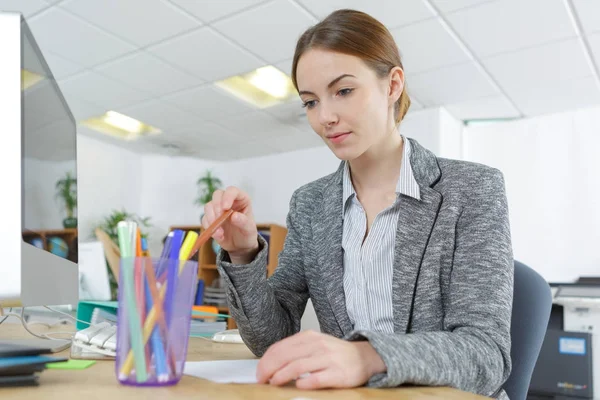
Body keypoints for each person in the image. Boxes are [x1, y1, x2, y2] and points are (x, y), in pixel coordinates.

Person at [201, 9, 513, 399]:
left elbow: (487, 354)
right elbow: (272, 338)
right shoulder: (311, 204)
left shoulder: (473, 190)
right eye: (310, 102)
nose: (325, 117)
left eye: (344, 91)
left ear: (392, 84)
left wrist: (367, 357)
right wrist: (243, 253)